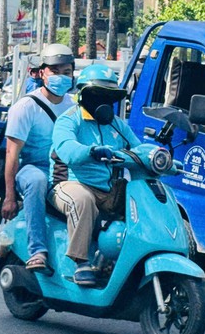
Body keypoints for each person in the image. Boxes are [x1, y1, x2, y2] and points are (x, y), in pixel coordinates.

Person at [48, 64, 140, 286]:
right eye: (98, 95)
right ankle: (80, 262)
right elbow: (67, 149)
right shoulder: (69, 120)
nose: (104, 101)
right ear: (83, 95)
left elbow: (137, 149)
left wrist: (159, 158)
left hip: (108, 190)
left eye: (109, 96)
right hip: (69, 184)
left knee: (141, 200)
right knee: (83, 200)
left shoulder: (116, 125)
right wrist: (90, 151)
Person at [1, 44, 75, 273]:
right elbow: (12, 154)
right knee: (37, 181)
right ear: (42, 72)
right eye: (55, 71)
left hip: (66, 169)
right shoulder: (25, 107)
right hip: (34, 167)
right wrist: (10, 197)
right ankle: (37, 251)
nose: (61, 77)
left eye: (66, 72)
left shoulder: (74, 106)